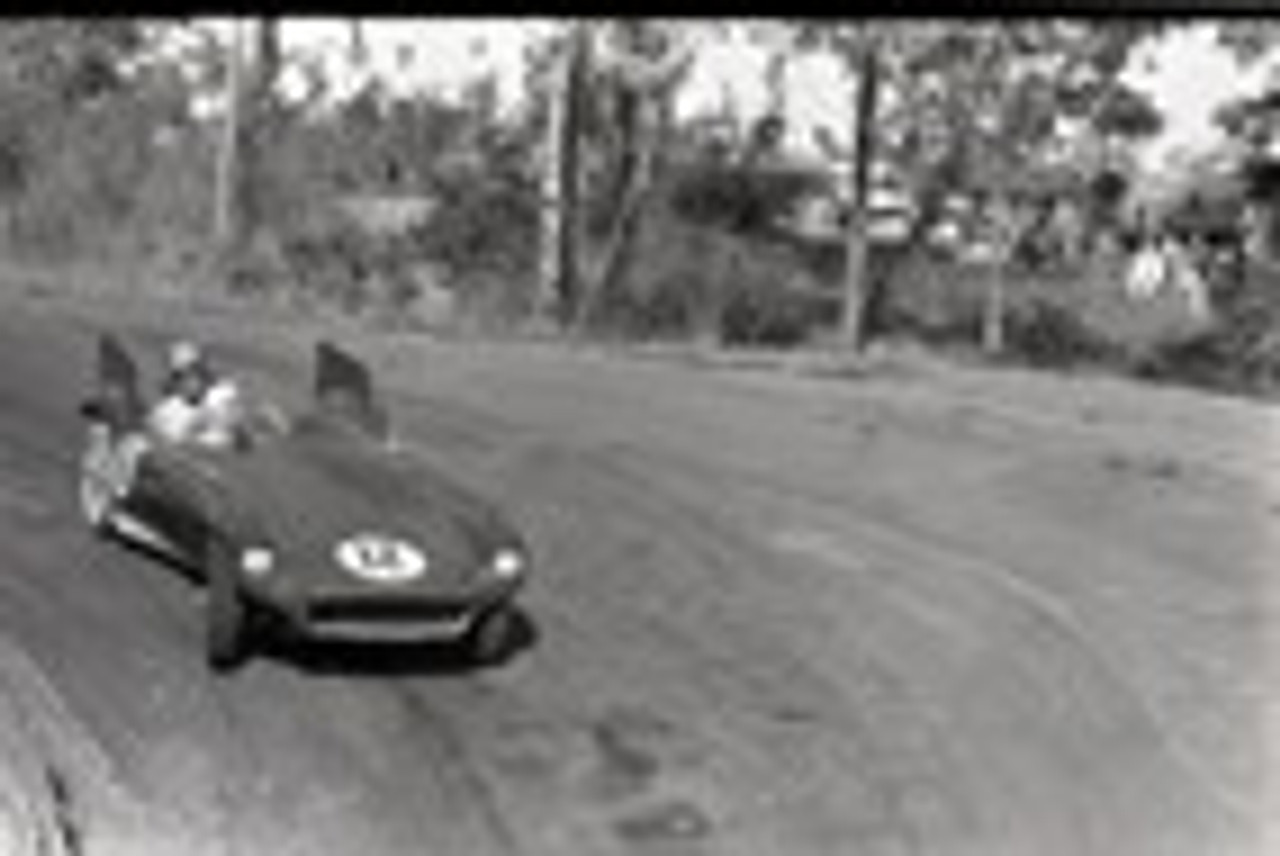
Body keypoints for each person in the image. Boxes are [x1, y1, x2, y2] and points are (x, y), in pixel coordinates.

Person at [148, 341, 246, 449]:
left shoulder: (221, 394)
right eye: (179, 377)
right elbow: (156, 428)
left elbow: (233, 432)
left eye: (198, 370)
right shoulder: (168, 408)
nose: (192, 379)